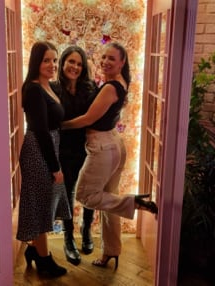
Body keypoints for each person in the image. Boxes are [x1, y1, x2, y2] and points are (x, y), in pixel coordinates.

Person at [61, 42, 158, 270]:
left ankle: (132, 202)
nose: (105, 61)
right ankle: (111, 252)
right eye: (103, 57)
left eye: (111, 58)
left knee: (86, 195)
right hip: (114, 143)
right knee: (108, 202)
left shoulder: (110, 87)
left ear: (122, 62)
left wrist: (60, 125)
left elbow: (87, 119)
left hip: (103, 146)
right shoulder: (120, 82)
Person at [16, 41, 71, 278]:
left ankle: (34, 250)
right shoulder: (33, 89)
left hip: (47, 149)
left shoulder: (51, 87)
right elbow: (40, 131)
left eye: (54, 60)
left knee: (44, 205)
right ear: (36, 62)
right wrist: (55, 167)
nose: (52, 65)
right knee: (40, 207)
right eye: (46, 60)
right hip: (38, 151)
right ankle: (44, 260)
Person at [52, 46, 98, 266]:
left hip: (87, 147)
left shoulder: (90, 88)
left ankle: (86, 229)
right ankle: (68, 238)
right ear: (62, 63)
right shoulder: (52, 89)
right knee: (67, 193)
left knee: (90, 190)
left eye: (79, 64)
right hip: (63, 150)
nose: (75, 67)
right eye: (71, 62)